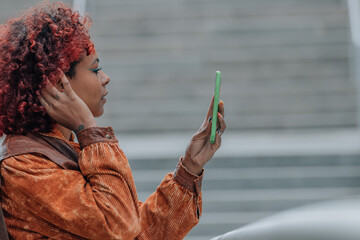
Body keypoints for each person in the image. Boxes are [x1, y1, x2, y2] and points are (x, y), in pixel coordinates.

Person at [0, 1, 226, 239]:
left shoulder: (59, 150)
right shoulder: (25, 168)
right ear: (59, 85)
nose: (105, 78)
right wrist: (88, 128)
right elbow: (119, 226)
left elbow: (140, 233)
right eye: (96, 70)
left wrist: (190, 168)